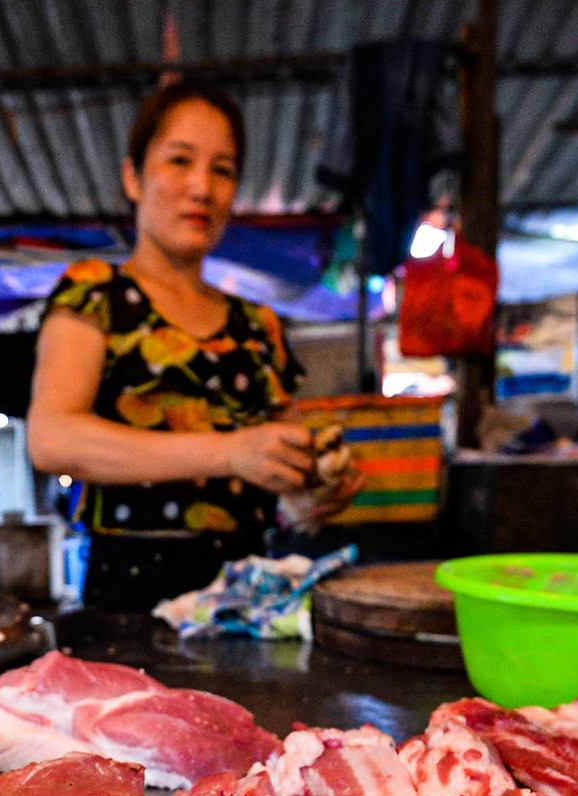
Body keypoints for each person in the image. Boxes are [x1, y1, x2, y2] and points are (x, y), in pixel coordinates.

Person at [27, 82, 359, 613]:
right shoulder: (94, 293)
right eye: (179, 160)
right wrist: (231, 451)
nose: (201, 187)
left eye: (222, 169)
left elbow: (283, 488)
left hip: (249, 597)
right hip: (128, 598)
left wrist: (309, 492)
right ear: (132, 177)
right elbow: (51, 439)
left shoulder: (259, 324)